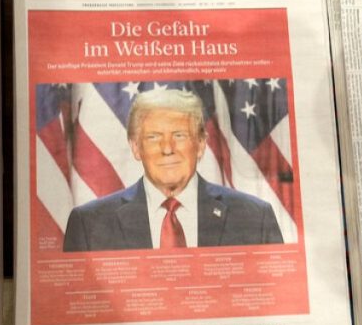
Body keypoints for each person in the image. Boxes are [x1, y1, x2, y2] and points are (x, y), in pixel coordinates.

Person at [63, 88, 284, 251]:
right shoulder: (89, 225)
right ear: (136, 148)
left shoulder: (255, 218)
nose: (167, 148)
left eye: (179, 135)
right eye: (153, 137)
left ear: (200, 144)